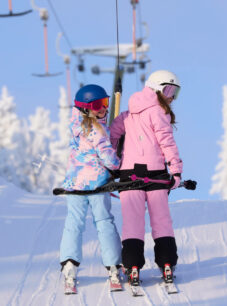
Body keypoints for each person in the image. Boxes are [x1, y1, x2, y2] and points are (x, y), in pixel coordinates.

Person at [110, 70, 183, 286]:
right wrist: (176, 170)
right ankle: (167, 261)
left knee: (132, 222)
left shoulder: (127, 114)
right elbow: (166, 142)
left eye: (175, 92)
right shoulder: (158, 112)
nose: (171, 96)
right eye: (169, 90)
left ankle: (132, 265)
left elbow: (113, 134)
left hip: (128, 174)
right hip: (156, 174)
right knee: (161, 220)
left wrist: (115, 162)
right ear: (156, 89)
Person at [60, 84, 122, 291]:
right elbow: (108, 158)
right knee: (104, 221)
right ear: (85, 108)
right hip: (96, 186)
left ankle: (69, 264)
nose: (103, 109)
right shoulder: (98, 129)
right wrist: (119, 165)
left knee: (74, 222)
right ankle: (113, 265)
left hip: (74, 186)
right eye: (98, 105)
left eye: (105, 103)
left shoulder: (74, 127)